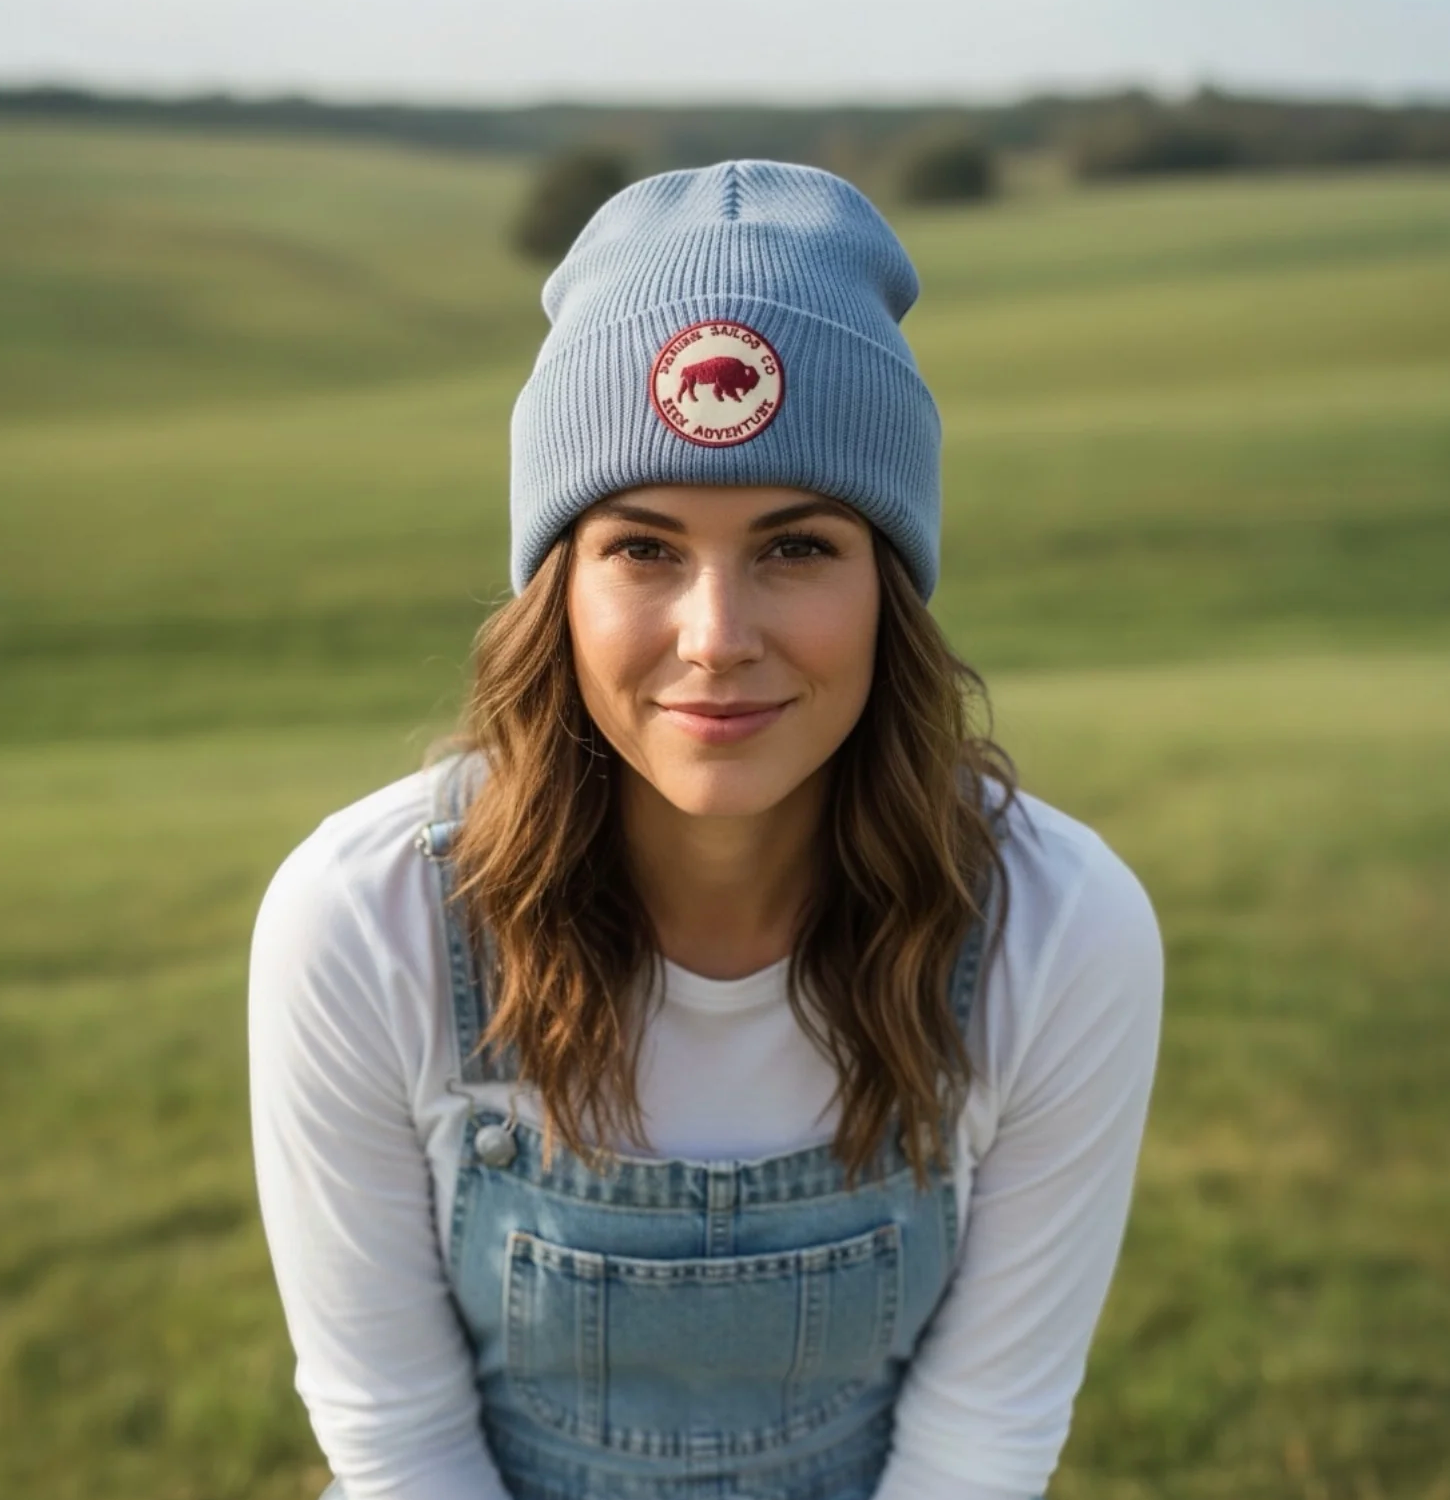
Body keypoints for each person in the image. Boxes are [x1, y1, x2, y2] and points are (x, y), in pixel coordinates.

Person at [248, 159, 1165, 1500]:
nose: (718, 638)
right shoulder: (365, 918)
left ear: (890, 591)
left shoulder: (1060, 928)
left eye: (797, 548)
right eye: (645, 547)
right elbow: (401, 1446)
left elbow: (982, 1444)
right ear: (554, 591)